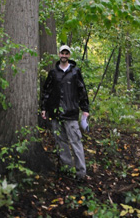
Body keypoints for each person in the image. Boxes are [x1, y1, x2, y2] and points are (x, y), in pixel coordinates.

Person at [41, 44, 90, 180]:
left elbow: (82, 91)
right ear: (59, 54)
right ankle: (67, 169)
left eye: (66, 53)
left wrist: (85, 110)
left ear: (69, 55)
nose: (64, 55)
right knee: (61, 142)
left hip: (71, 114)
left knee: (76, 142)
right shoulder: (53, 73)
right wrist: (44, 108)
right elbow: (46, 92)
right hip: (56, 114)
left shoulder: (75, 72)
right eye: (62, 53)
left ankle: (81, 173)